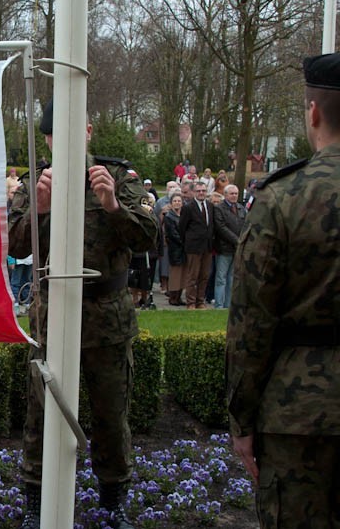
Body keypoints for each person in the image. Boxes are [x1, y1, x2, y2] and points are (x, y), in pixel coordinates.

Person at [9, 100, 157, 529]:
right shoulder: (37, 181)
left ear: (89, 131)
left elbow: (149, 237)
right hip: (52, 316)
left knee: (111, 414)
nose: (64, 141)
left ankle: (113, 502)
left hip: (106, 317)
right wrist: (39, 208)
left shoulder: (118, 178)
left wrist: (112, 204)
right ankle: (36, 503)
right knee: (41, 413)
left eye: (74, 131)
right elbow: (15, 246)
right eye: (55, 134)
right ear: (47, 138)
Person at [227, 53, 340, 528]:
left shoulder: (283, 197)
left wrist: (242, 421)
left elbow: (252, 321)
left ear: (312, 112)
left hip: (301, 413)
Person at [178, 181, 213, 309]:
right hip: (193, 247)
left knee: (204, 276)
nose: (201, 193)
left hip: (207, 247)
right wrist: (188, 241)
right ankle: (191, 302)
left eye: (203, 190)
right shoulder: (188, 207)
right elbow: (182, 227)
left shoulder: (210, 206)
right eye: (198, 191)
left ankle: (200, 301)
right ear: (194, 192)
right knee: (192, 276)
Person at [211, 184, 245, 309]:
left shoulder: (241, 209)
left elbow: (245, 225)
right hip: (224, 248)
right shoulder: (219, 209)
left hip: (237, 249)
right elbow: (221, 227)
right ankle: (219, 305)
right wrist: (237, 240)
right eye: (231, 193)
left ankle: (229, 305)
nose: (234, 196)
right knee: (221, 278)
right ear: (225, 195)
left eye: (236, 193)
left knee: (232, 278)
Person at [163, 194, 185, 305]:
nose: (177, 202)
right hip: (175, 249)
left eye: (179, 201)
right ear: (171, 203)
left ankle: (179, 297)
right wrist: (184, 241)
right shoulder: (168, 217)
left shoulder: (184, 215)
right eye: (175, 201)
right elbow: (172, 234)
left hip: (184, 250)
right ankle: (173, 297)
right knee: (175, 274)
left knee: (183, 274)